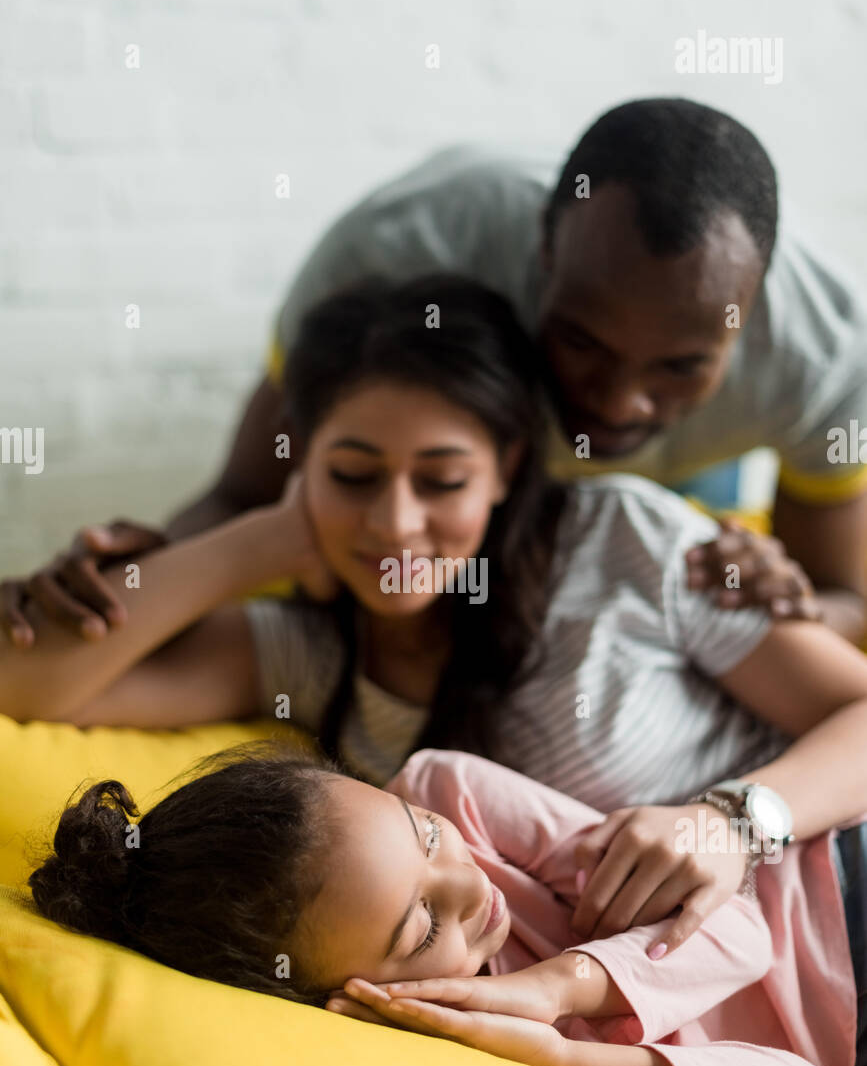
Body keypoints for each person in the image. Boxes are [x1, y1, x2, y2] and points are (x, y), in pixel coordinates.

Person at [3, 275, 867, 961]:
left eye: (442, 481)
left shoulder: (622, 541)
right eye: (352, 475)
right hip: (758, 1002)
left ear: (506, 468)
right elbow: (24, 684)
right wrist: (266, 537)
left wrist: (730, 820)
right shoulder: (308, 654)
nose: (395, 523)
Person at [4, 98, 867, 645]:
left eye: (680, 365)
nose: (617, 400)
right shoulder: (395, 253)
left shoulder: (826, 355)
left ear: (751, 317)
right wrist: (116, 587)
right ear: (540, 252)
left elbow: (846, 601)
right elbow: (243, 497)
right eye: (582, 343)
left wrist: (787, 599)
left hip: (691, 485)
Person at [27, 742, 859, 1066]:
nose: (469, 884)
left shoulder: (449, 792)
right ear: (353, 997)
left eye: (425, 839)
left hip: (834, 888)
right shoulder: (458, 1055)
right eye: (422, 928)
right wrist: (567, 1061)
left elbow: (740, 931)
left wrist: (556, 985)